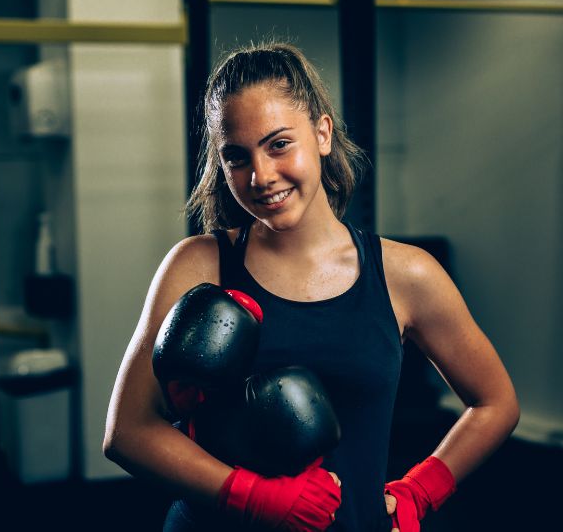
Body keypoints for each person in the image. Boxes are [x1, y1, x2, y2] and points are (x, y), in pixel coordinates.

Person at [103, 41, 520, 532]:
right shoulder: (199, 265)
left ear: (322, 133)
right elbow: (127, 431)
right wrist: (251, 497)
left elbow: (496, 402)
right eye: (237, 157)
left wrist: (420, 492)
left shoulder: (406, 274)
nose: (260, 176)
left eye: (279, 144)